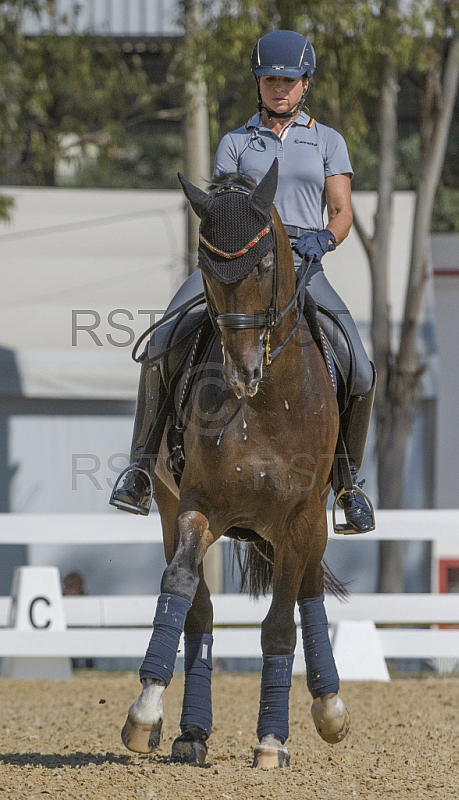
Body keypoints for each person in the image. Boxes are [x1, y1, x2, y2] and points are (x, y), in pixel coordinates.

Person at [110, 29, 375, 534]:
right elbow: (226, 209)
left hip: (300, 265)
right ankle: (140, 469)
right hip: (237, 264)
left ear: (305, 84)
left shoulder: (328, 141)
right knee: (161, 341)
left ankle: (348, 483)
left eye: (288, 80)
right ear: (258, 82)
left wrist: (325, 240)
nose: (279, 88)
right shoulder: (235, 142)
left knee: (359, 366)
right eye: (269, 78)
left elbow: (341, 213)